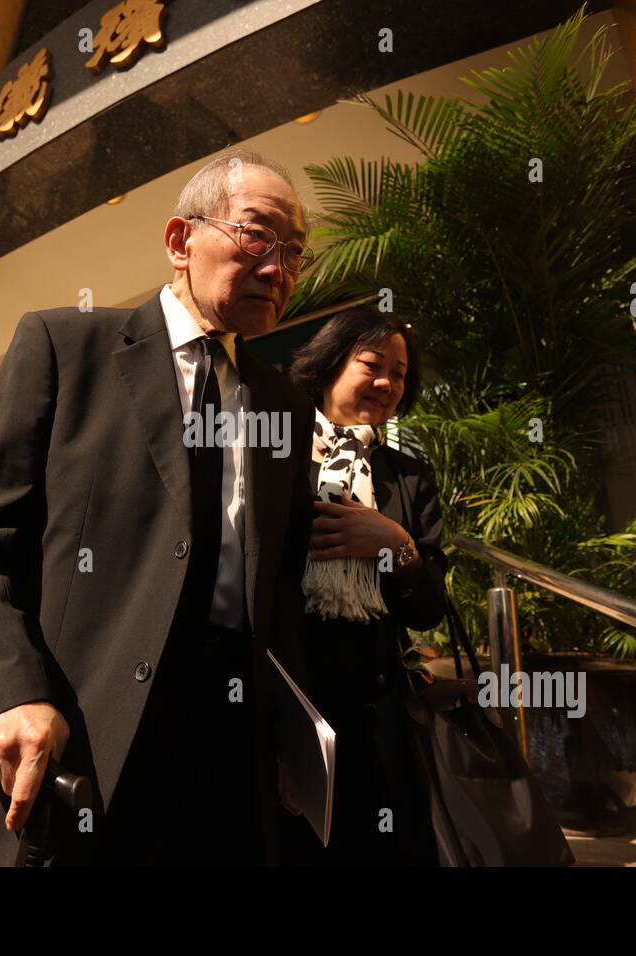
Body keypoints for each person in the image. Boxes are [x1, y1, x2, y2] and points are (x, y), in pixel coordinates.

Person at [0, 149, 316, 866]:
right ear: (180, 241)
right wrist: (1, 692)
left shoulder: (281, 402)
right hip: (79, 735)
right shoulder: (66, 347)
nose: (277, 268)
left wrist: (287, 734)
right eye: (257, 236)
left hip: (225, 761)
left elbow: (275, 582)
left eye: (294, 253)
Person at [283, 306, 448, 865]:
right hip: (292, 708)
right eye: (373, 364)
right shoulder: (272, 455)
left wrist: (396, 544)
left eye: (399, 374)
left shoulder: (408, 477)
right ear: (329, 365)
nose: (386, 383)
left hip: (381, 721)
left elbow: (429, 609)